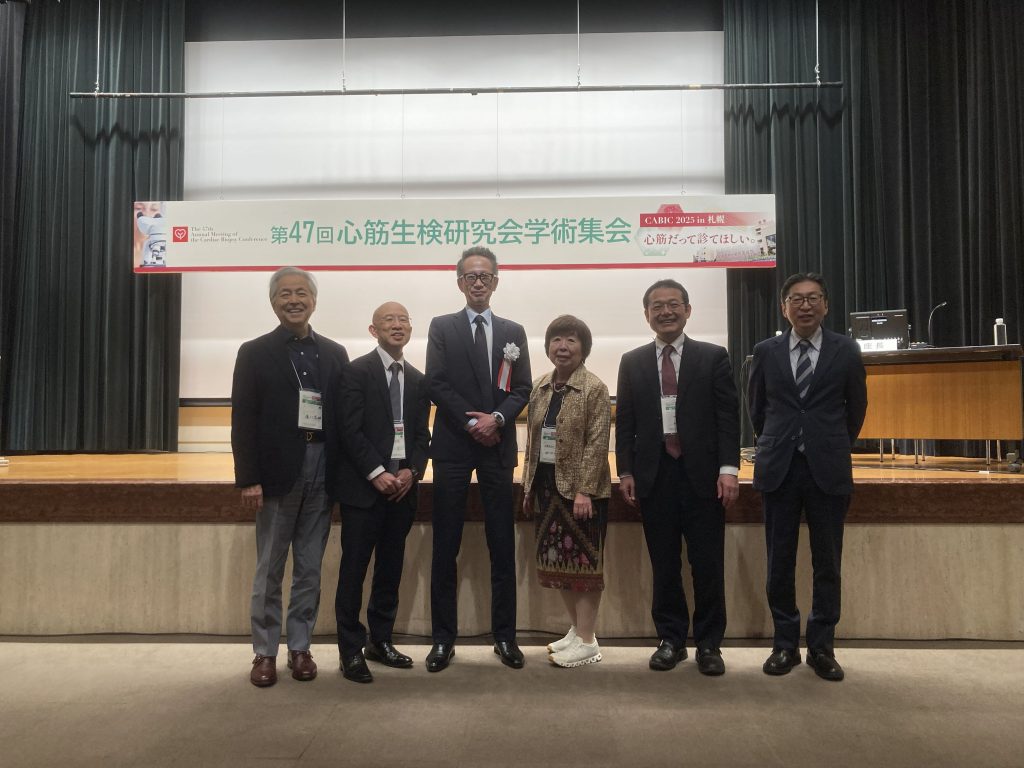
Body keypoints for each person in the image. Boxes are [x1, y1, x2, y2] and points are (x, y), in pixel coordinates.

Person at [231, 267, 349, 687]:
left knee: (310, 567)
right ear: (273, 302)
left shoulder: (334, 353)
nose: (294, 300)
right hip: (277, 471)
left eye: (301, 293)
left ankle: (300, 647)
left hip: (323, 465)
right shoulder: (254, 352)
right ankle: (264, 652)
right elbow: (243, 419)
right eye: (285, 294)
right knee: (269, 567)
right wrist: (248, 478)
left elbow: (344, 418)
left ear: (314, 301)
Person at [615, 279, 740, 676]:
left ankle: (709, 643)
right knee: (665, 564)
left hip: (704, 477)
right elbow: (626, 422)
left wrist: (729, 469)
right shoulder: (632, 361)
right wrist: (625, 470)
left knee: (707, 563)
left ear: (687, 310)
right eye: (657, 306)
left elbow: (727, 417)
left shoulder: (713, 357)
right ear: (646, 314)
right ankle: (670, 639)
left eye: (673, 304)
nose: (665, 311)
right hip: (655, 477)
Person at [748, 272, 867, 681]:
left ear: (826, 305)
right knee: (779, 562)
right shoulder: (766, 351)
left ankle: (821, 647)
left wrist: (828, 442)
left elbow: (856, 409)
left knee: (827, 562)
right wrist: (780, 441)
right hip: (779, 467)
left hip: (827, 468)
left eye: (813, 297)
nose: (805, 305)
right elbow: (757, 409)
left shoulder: (846, 349)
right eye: (796, 299)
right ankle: (784, 645)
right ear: (784, 308)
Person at [424, 246, 532, 671]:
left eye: (485, 276)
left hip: (498, 445)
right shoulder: (442, 327)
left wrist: (498, 419)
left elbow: (522, 388)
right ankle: (442, 639)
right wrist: (473, 423)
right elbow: (436, 383)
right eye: (471, 276)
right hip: (454, 444)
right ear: (460, 283)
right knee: (445, 544)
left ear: (496, 281)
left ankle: (505, 637)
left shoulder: (513, 331)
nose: (478, 282)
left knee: (501, 544)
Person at [327, 302, 431, 684]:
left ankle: (380, 641)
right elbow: (349, 430)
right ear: (374, 330)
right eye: (389, 320)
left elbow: (421, 436)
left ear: (411, 329)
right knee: (354, 571)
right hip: (364, 491)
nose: (397, 325)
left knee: (390, 569)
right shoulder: (356, 372)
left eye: (403, 319)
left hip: (402, 492)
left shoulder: (418, 380)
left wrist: (411, 471)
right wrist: (376, 473)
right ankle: (350, 650)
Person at [522, 315, 611, 668]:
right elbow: (532, 442)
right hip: (546, 488)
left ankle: (588, 641)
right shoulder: (540, 386)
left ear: (584, 348)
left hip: (580, 494)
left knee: (584, 567)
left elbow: (598, 443)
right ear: (548, 347)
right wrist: (527, 486)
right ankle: (577, 630)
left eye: (571, 340)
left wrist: (585, 490)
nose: (563, 347)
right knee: (558, 563)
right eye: (557, 339)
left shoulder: (594, 388)